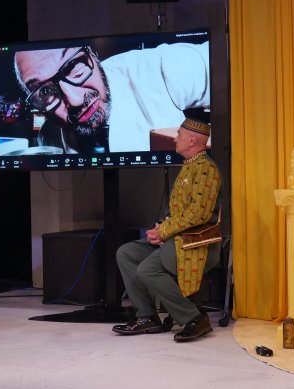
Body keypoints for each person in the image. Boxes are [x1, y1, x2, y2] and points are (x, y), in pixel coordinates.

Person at [112, 117, 221, 342]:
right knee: (126, 253)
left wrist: (165, 231)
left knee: (148, 269)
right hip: (178, 237)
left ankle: (194, 318)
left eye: (179, 135)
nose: (176, 139)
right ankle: (147, 317)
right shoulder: (190, 166)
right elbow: (183, 212)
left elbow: (198, 214)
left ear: (192, 140)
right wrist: (163, 228)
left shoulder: (205, 169)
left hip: (196, 242)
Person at [13, 42, 209, 153]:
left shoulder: (162, 67)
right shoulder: (49, 138)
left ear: (92, 56)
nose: (75, 100)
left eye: (72, 67)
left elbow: (233, 67)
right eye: (45, 91)